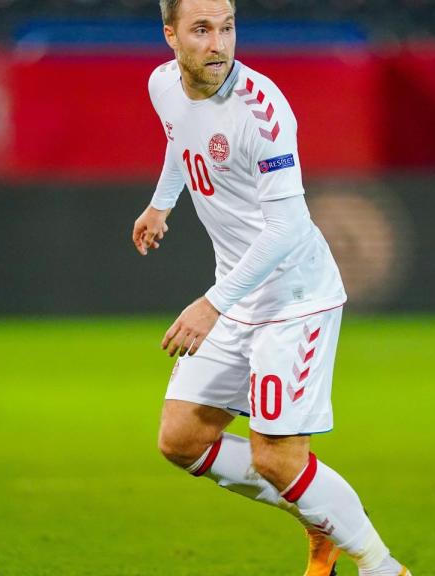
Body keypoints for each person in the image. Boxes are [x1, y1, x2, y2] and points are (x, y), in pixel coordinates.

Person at [131, 1, 412, 574]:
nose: (218, 44)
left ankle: (383, 566)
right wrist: (162, 204)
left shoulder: (262, 111)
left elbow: (286, 229)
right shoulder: (163, 85)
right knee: (181, 439)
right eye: (202, 30)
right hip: (238, 296)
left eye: (227, 28)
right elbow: (177, 136)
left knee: (278, 458)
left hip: (292, 300)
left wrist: (212, 305)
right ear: (170, 35)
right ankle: (319, 515)